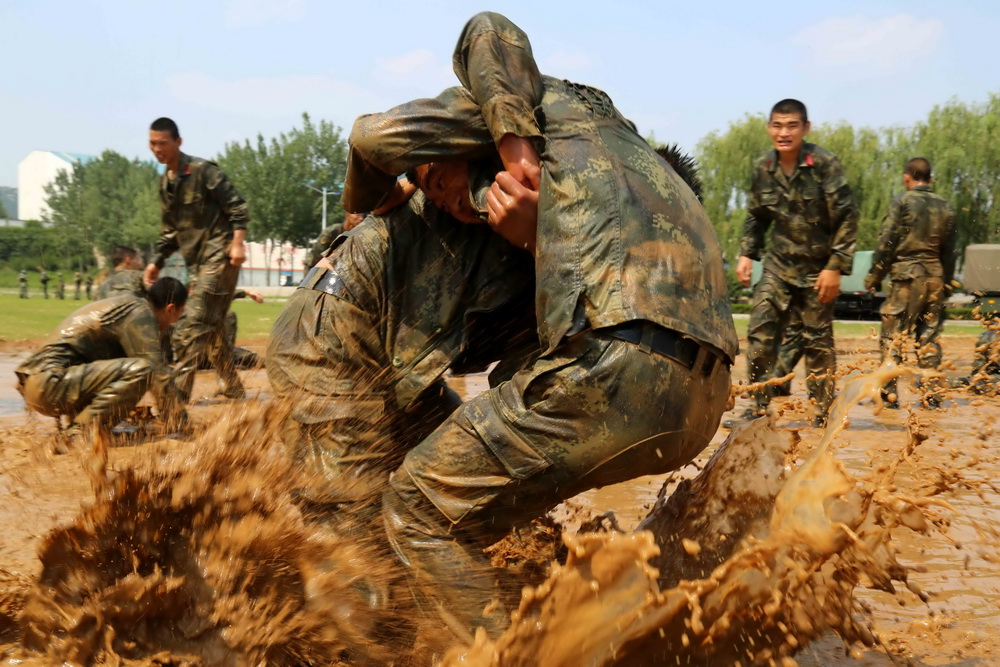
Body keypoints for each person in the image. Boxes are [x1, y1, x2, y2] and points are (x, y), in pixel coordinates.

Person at [343, 11, 737, 642]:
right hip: (702, 395)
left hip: (615, 365)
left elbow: (486, 31)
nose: (433, 192)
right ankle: (592, 631)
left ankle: (503, 657)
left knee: (417, 507)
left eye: (432, 175)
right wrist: (533, 238)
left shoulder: (512, 118)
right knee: (471, 508)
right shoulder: (614, 151)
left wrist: (378, 195)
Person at [265, 191, 535, 523]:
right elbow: (372, 151)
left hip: (401, 361)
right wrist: (406, 179)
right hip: (333, 332)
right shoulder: (495, 178)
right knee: (352, 517)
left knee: (478, 474)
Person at [735, 98, 858, 427]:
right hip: (778, 266)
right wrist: (748, 253)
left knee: (817, 341)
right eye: (777, 125)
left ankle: (822, 412)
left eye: (791, 126)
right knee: (760, 333)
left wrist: (836, 266)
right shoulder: (763, 168)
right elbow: (757, 216)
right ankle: (758, 408)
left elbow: (846, 217)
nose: (783, 132)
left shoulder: (824, 164)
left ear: (805, 128)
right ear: (769, 128)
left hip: (818, 269)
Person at [15, 278, 189, 451]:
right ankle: (78, 436)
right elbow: (158, 372)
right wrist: (182, 424)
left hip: (40, 384)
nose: (173, 325)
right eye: (179, 315)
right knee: (144, 370)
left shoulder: (130, 306)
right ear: (170, 309)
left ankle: (78, 428)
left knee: (128, 370)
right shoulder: (140, 313)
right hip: (49, 384)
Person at [144, 117, 249, 401]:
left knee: (192, 325)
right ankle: (233, 389)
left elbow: (238, 206)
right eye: (152, 143)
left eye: (162, 143)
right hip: (197, 263)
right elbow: (170, 231)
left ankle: (176, 402)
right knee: (212, 327)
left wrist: (238, 244)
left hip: (221, 256)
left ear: (178, 142)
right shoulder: (165, 184)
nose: (157, 149)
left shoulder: (203, 171)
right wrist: (156, 261)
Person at [864, 158, 956, 408]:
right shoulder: (946, 206)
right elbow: (950, 251)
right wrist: (945, 282)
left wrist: (875, 276)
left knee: (894, 337)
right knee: (928, 337)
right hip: (935, 277)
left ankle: (888, 396)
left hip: (907, 275)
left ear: (907, 177)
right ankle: (932, 397)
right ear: (930, 178)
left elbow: (888, 240)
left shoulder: (902, 202)